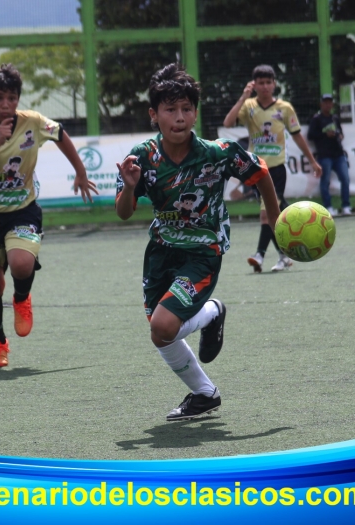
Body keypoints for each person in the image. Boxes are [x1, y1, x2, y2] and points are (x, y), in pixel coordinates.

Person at [116, 63, 281, 421]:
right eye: (170, 109)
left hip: (203, 252)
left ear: (195, 113)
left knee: (163, 326)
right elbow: (124, 213)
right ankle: (205, 392)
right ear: (153, 114)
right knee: (160, 333)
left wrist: (277, 219)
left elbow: (261, 174)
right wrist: (129, 188)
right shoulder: (142, 157)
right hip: (161, 251)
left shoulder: (218, 153)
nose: (179, 117)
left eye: (186, 109)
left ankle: (210, 314)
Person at [0, 63, 97, 367]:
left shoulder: (32, 121)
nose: (5, 104)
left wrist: (80, 171)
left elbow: (60, 134)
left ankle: (22, 297)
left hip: (23, 210)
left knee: (21, 264)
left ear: (18, 99)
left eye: (11, 98)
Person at [223, 64, 321, 273]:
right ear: (254, 85)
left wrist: (312, 161)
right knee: (276, 215)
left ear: (274, 84)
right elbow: (228, 122)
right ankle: (284, 256)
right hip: (255, 168)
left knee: (266, 215)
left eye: (269, 82)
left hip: (275, 170)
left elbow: (297, 135)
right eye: (261, 83)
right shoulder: (249, 105)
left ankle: (259, 254)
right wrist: (243, 97)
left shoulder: (284, 108)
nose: (265, 86)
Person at [307, 94, 351, 216]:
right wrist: (324, 134)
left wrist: (339, 135)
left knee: (345, 178)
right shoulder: (316, 119)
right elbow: (310, 135)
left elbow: (340, 132)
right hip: (324, 155)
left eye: (330, 102)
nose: (328, 105)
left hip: (338, 154)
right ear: (321, 104)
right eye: (325, 102)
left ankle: (346, 206)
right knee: (325, 181)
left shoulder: (335, 118)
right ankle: (328, 206)